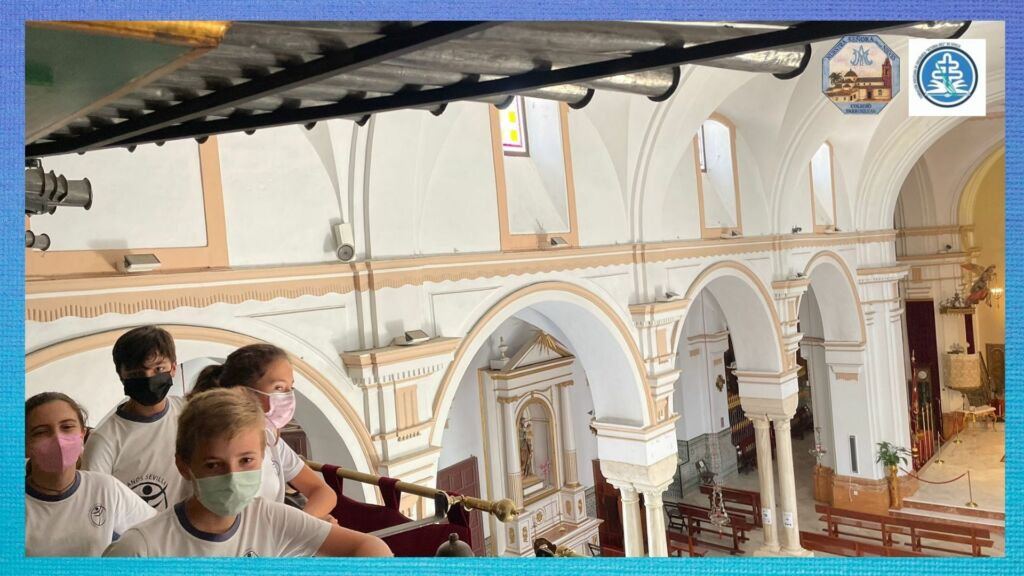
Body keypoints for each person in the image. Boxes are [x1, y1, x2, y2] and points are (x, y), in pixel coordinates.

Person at [103, 388, 392, 557]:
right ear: (185, 466)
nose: (233, 477)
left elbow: (369, 547)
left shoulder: (269, 518)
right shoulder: (141, 548)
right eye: (214, 465)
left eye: (246, 461)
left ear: (262, 458)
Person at [193, 344, 337, 520]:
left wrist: (306, 522)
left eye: (290, 388)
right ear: (244, 392)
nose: (288, 396)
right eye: (279, 388)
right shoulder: (216, 445)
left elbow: (322, 492)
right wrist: (302, 528)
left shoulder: (270, 437)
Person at [26, 392, 155, 556]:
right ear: (25, 444)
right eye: (41, 432)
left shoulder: (105, 488)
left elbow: (157, 531)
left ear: (82, 434)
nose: (58, 439)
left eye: (67, 427)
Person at [82, 326, 190, 510]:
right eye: (137, 374)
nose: (149, 378)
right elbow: (96, 505)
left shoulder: (189, 413)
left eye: (159, 368)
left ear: (173, 368)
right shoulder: (105, 439)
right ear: (121, 376)